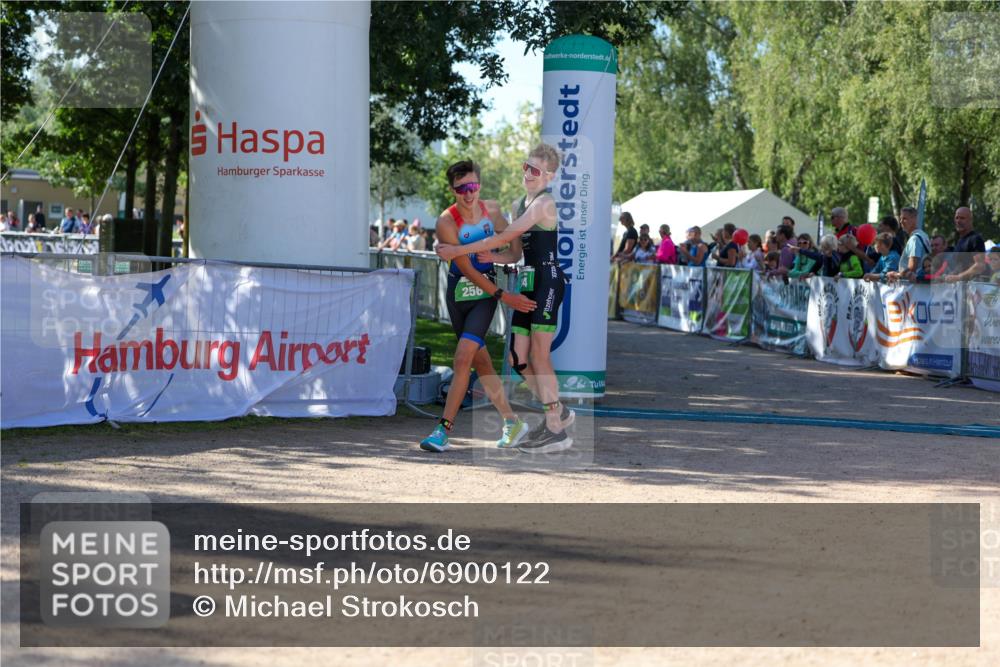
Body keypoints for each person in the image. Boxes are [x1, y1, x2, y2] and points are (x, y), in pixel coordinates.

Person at [437, 143, 576, 453]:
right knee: (517, 359)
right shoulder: (519, 203)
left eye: (535, 170)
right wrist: (493, 257)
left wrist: (460, 250)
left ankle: (555, 427)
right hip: (528, 279)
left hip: (547, 281)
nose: (528, 174)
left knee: (539, 356)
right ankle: (558, 413)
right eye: (526, 167)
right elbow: (512, 252)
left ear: (549, 176)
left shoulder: (544, 203)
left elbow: (504, 237)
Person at [418, 160, 535, 453]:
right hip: (458, 296)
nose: (468, 194)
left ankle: (443, 430)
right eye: (461, 189)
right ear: (452, 190)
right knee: (481, 364)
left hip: (484, 296)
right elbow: (464, 268)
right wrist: (502, 295)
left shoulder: (492, 211)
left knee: (461, 359)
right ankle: (512, 423)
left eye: (472, 187)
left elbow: (514, 248)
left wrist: (496, 263)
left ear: (479, 185)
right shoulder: (447, 221)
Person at [943, 206, 989, 282]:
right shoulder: (960, 241)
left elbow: (980, 265)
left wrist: (958, 277)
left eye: (962, 218)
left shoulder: (975, 239)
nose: (958, 221)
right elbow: (961, 266)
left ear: (970, 220)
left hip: (971, 289)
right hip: (959, 288)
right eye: (956, 218)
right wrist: (952, 275)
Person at [887, 206, 929, 282]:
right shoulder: (924, 235)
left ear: (914, 219)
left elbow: (912, 268)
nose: (901, 221)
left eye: (904, 219)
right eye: (900, 219)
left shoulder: (914, 239)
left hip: (913, 286)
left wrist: (896, 275)